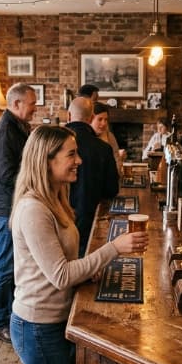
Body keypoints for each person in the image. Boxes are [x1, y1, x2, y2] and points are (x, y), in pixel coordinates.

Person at [8, 126, 146, 364]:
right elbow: (60, 275)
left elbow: (63, 265)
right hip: (37, 326)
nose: (79, 160)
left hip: (43, 321)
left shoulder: (54, 197)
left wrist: (89, 269)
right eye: (71, 154)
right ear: (47, 160)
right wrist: (113, 249)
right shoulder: (34, 209)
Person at [0, 83, 38, 344]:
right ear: (16, 104)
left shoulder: (19, 127)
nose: (35, 108)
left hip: (16, 206)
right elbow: (6, 176)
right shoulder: (5, 131)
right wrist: (36, 179)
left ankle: (12, 317)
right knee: (5, 266)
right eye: (32, 103)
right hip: (6, 209)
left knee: (14, 265)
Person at [65, 97, 119, 256]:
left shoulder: (52, 143)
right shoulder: (103, 148)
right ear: (90, 118)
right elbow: (111, 190)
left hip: (57, 218)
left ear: (68, 116)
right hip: (90, 217)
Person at [92, 102, 124, 176]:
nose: (104, 123)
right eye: (100, 119)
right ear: (90, 119)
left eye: (106, 119)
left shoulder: (110, 136)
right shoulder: (85, 138)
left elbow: (117, 162)